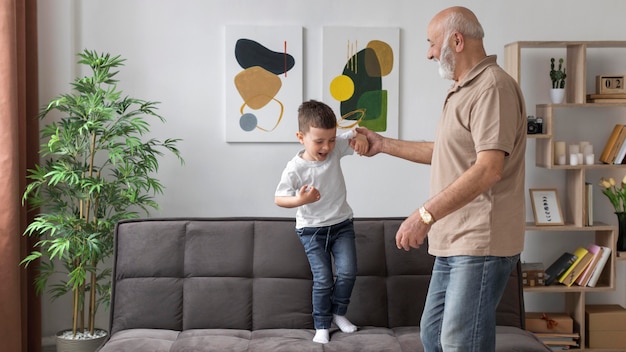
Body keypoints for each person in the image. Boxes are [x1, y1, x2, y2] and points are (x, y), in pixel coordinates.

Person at [354, 6, 527, 352]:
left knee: (460, 343)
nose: (430, 53)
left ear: (457, 41)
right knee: (433, 336)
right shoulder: (464, 89)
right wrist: (383, 144)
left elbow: (489, 168)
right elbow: (447, 153)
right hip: (455, 239)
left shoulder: (492, 88)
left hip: (479, 240)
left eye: (432, 44)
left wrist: (424, 215)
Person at [274, 100, 369, 344]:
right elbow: (279, 198)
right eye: (319, 141)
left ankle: (338, 313)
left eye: (331, 139)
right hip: (311, 231)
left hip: (342, 225)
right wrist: (300, 199)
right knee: (324, 279)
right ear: (301, 137)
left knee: (348, 272)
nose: (327, 146)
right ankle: (321, 324)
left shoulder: (335, 146)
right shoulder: (295, 168)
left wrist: (361, 140)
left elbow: (357, 133)